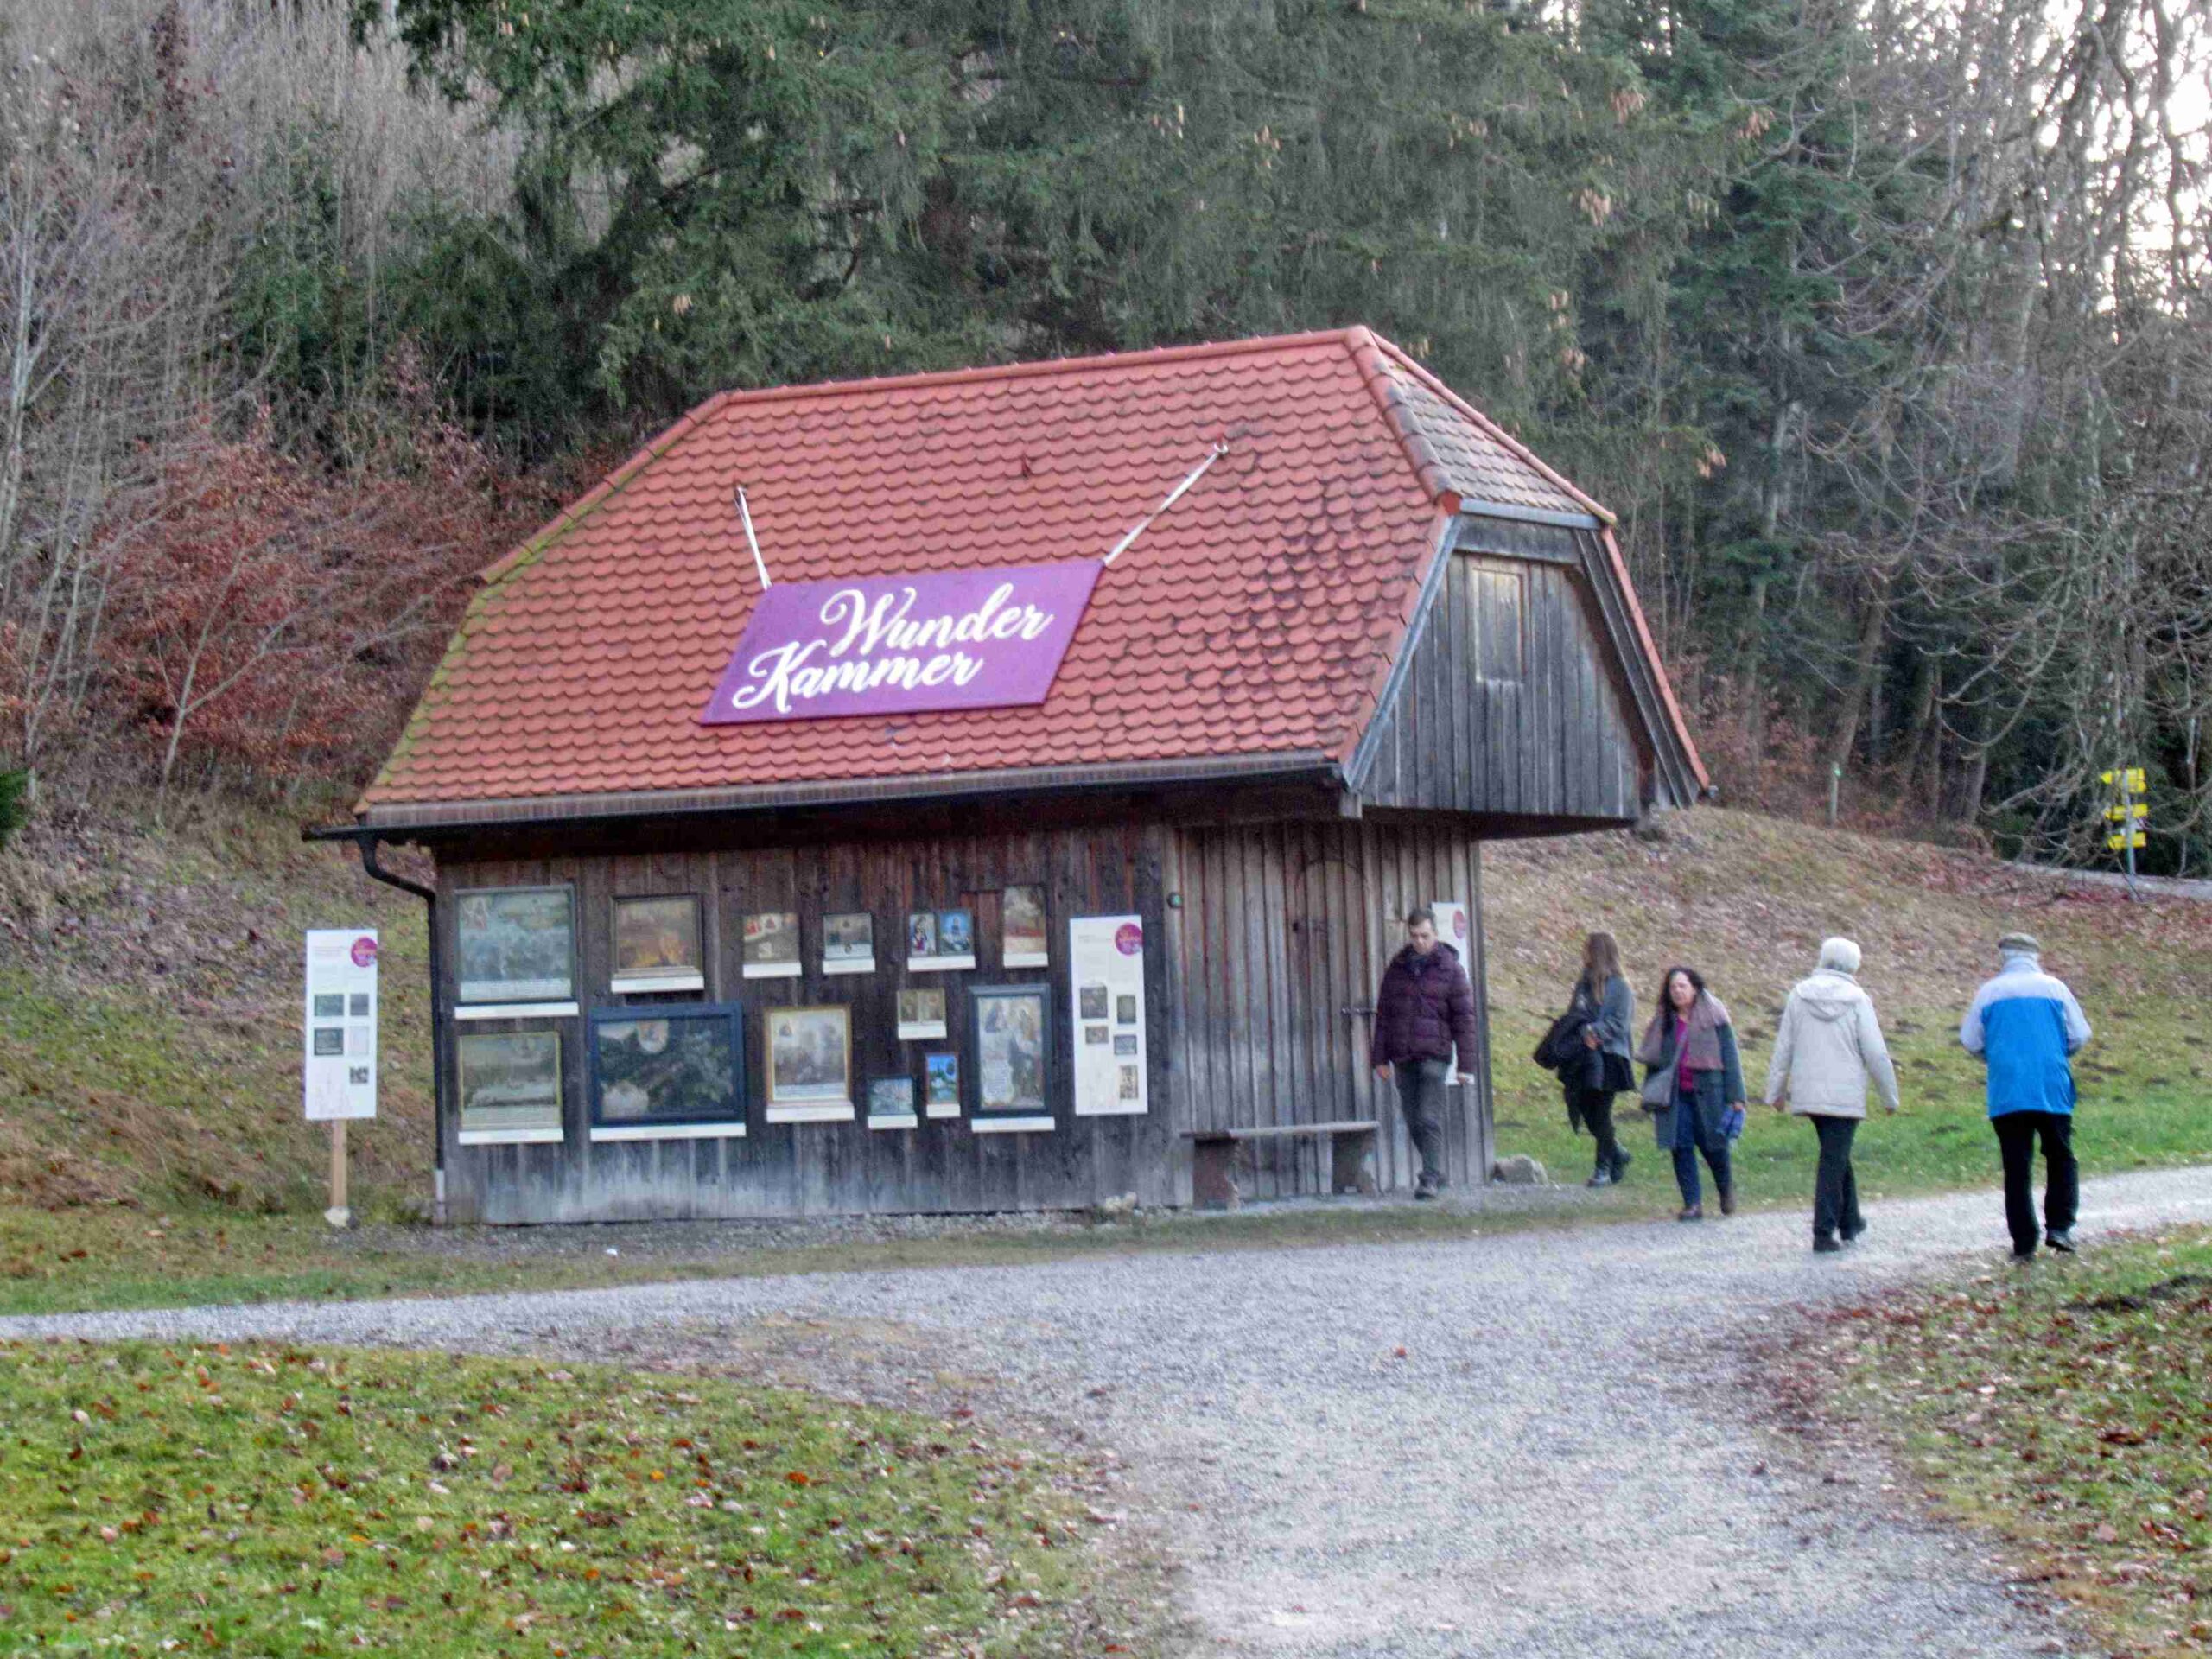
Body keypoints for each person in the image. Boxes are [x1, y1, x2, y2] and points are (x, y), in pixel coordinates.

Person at [1961, 931, 2092, 1262]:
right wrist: (2056, 1053)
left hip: (2007, 1089)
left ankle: (2023, 1242)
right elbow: (2080, 1034)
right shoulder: (2055, 988)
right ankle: (2060, 1227)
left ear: (2004, 956)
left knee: (2017, 1167)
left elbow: (1970, 1040)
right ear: (2035, 955)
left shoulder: (1989, 992)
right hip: (2051, 1085)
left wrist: (1996, 1057)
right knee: (2060, 1156)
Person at [1765, 938, 1900, 1252]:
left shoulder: (1799, 994)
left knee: (1836, 1153)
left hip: (1809, 1091)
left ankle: (1851, 1221)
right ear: (1854, 964)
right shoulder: (1858, 999)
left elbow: (1784, 1046)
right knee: (1833, 1157)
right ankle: (1823, 1232)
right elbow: (1876, 1052)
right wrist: (1889, 1096)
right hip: (1845, 1093)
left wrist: (1776, 1091)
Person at [1371, 906, 1481, 1200]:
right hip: (1403, 1054)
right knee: (1411, 1118)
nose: (1420, 941)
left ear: (1435, 934)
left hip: (1435, 1053)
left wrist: (1466, 1066)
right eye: (1415, 936)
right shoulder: (1397, 969)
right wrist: (1379, 1058)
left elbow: (1464, 1020)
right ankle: (1436, 1170)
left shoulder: (1451, 970)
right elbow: (1384, 1016)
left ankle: (1429, 1178)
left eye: (1425, 936)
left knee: (1428, 1117)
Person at [1637, 965, 1745, 1221]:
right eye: (1673, 987)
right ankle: (1692, 1204)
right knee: (1680, 1145)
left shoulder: (1715, 1014)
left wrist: (1736, 1096)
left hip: (1710, 1091)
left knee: (1714, 1146)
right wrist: (1651, 1092)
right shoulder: (1664, 1020)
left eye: (1682, 986)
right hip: (1676, 1094)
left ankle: (1725, 1189)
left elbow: (1730, 1055)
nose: (1677, 991)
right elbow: (1654, 1059)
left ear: (1694, 988)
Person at [1559, 932, 1636, 1186]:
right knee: (1584, 1107)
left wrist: (1596, 1032)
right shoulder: (1584, 984)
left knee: (1601, 1111)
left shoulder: (1620, 987)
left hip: (1610, 1057)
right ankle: (1618, 1153)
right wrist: (1580, 1032)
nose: (1584, 954)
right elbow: (1574, 1014)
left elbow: (1621, 1023)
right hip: (1584, 1056)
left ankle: (1603, 1167)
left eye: (1588, 949)